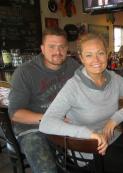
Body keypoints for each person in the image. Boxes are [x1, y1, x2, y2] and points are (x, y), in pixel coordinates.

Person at [39, 33, 123, 172]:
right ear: (81, 58)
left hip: (110, 138)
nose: (96, 59)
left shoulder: (113, 78)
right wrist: (89, 134)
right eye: (89, 55)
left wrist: (115, 119)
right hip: (86, 150)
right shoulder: (73, 86)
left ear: (107, 55)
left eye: (100, 53)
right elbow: (46, 123)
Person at [8, 27, 79, 173]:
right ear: (42, 48)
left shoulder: (73, 66)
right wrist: (49, 118)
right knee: (47, 169)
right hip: (32, 129)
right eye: (51, 46)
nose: (57, 52)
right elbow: (15, 113)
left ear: (67, 48)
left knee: (98, 153)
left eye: (62, 47)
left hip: (66, 124)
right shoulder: (25, 72)